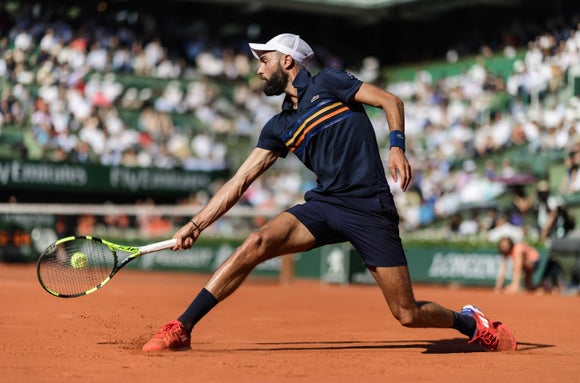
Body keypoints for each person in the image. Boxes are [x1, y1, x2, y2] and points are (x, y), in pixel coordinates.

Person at [142, 33, 517, 352]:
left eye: (264, 60)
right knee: (256, 243)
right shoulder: (279, 126)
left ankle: (469, 324)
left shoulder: (330, 83)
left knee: (407, 314)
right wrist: (197, 223)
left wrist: (397, 146)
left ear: (287, 61)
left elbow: (391, 101)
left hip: (370, 207)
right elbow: (239, 181)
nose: (258, 68)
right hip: (325, 205)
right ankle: (182, 327)